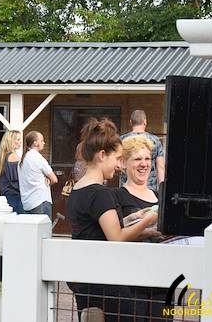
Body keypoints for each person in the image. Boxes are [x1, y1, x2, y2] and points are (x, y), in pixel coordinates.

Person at [66, 119, 160, 322]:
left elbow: (98, 231)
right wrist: (151, 218)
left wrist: (137, 220)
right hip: (105, 283)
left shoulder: (78, 190)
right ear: (102, 155)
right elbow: (116, 237)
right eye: (117, 158)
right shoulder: (100, 194)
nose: (119, 165)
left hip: (86, 278)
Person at [114, 135, 167, 320]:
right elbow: (115, 236)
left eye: (147, 159)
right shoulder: (117, 196)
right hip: (131, 282)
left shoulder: (160, 197)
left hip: (162, 278)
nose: (144, 164)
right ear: (124, 164)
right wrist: (147, 230)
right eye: (137, 159)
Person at [120, 110, 165, 190]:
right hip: (149, 188)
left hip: (126, 189)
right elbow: (160, 167)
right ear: (145, 122)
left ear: (131, 122)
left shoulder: (122, 140)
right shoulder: (155, 140)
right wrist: (162, 189)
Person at [19, 131, 57, 218]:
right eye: (42, 140)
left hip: (26, 203)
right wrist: (47, 182)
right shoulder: (39, 158)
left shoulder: (22, 160)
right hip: (40, 201)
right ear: (35, 143)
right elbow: (54, 179)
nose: (44, 143)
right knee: (43, 231)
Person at [0, 130, 24, 213]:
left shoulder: (3, 157)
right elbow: (19, 179)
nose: (20, 142)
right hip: (15, 198)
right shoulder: (13, 157)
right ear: (11, 141)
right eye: (18, 139)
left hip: (6, 197)